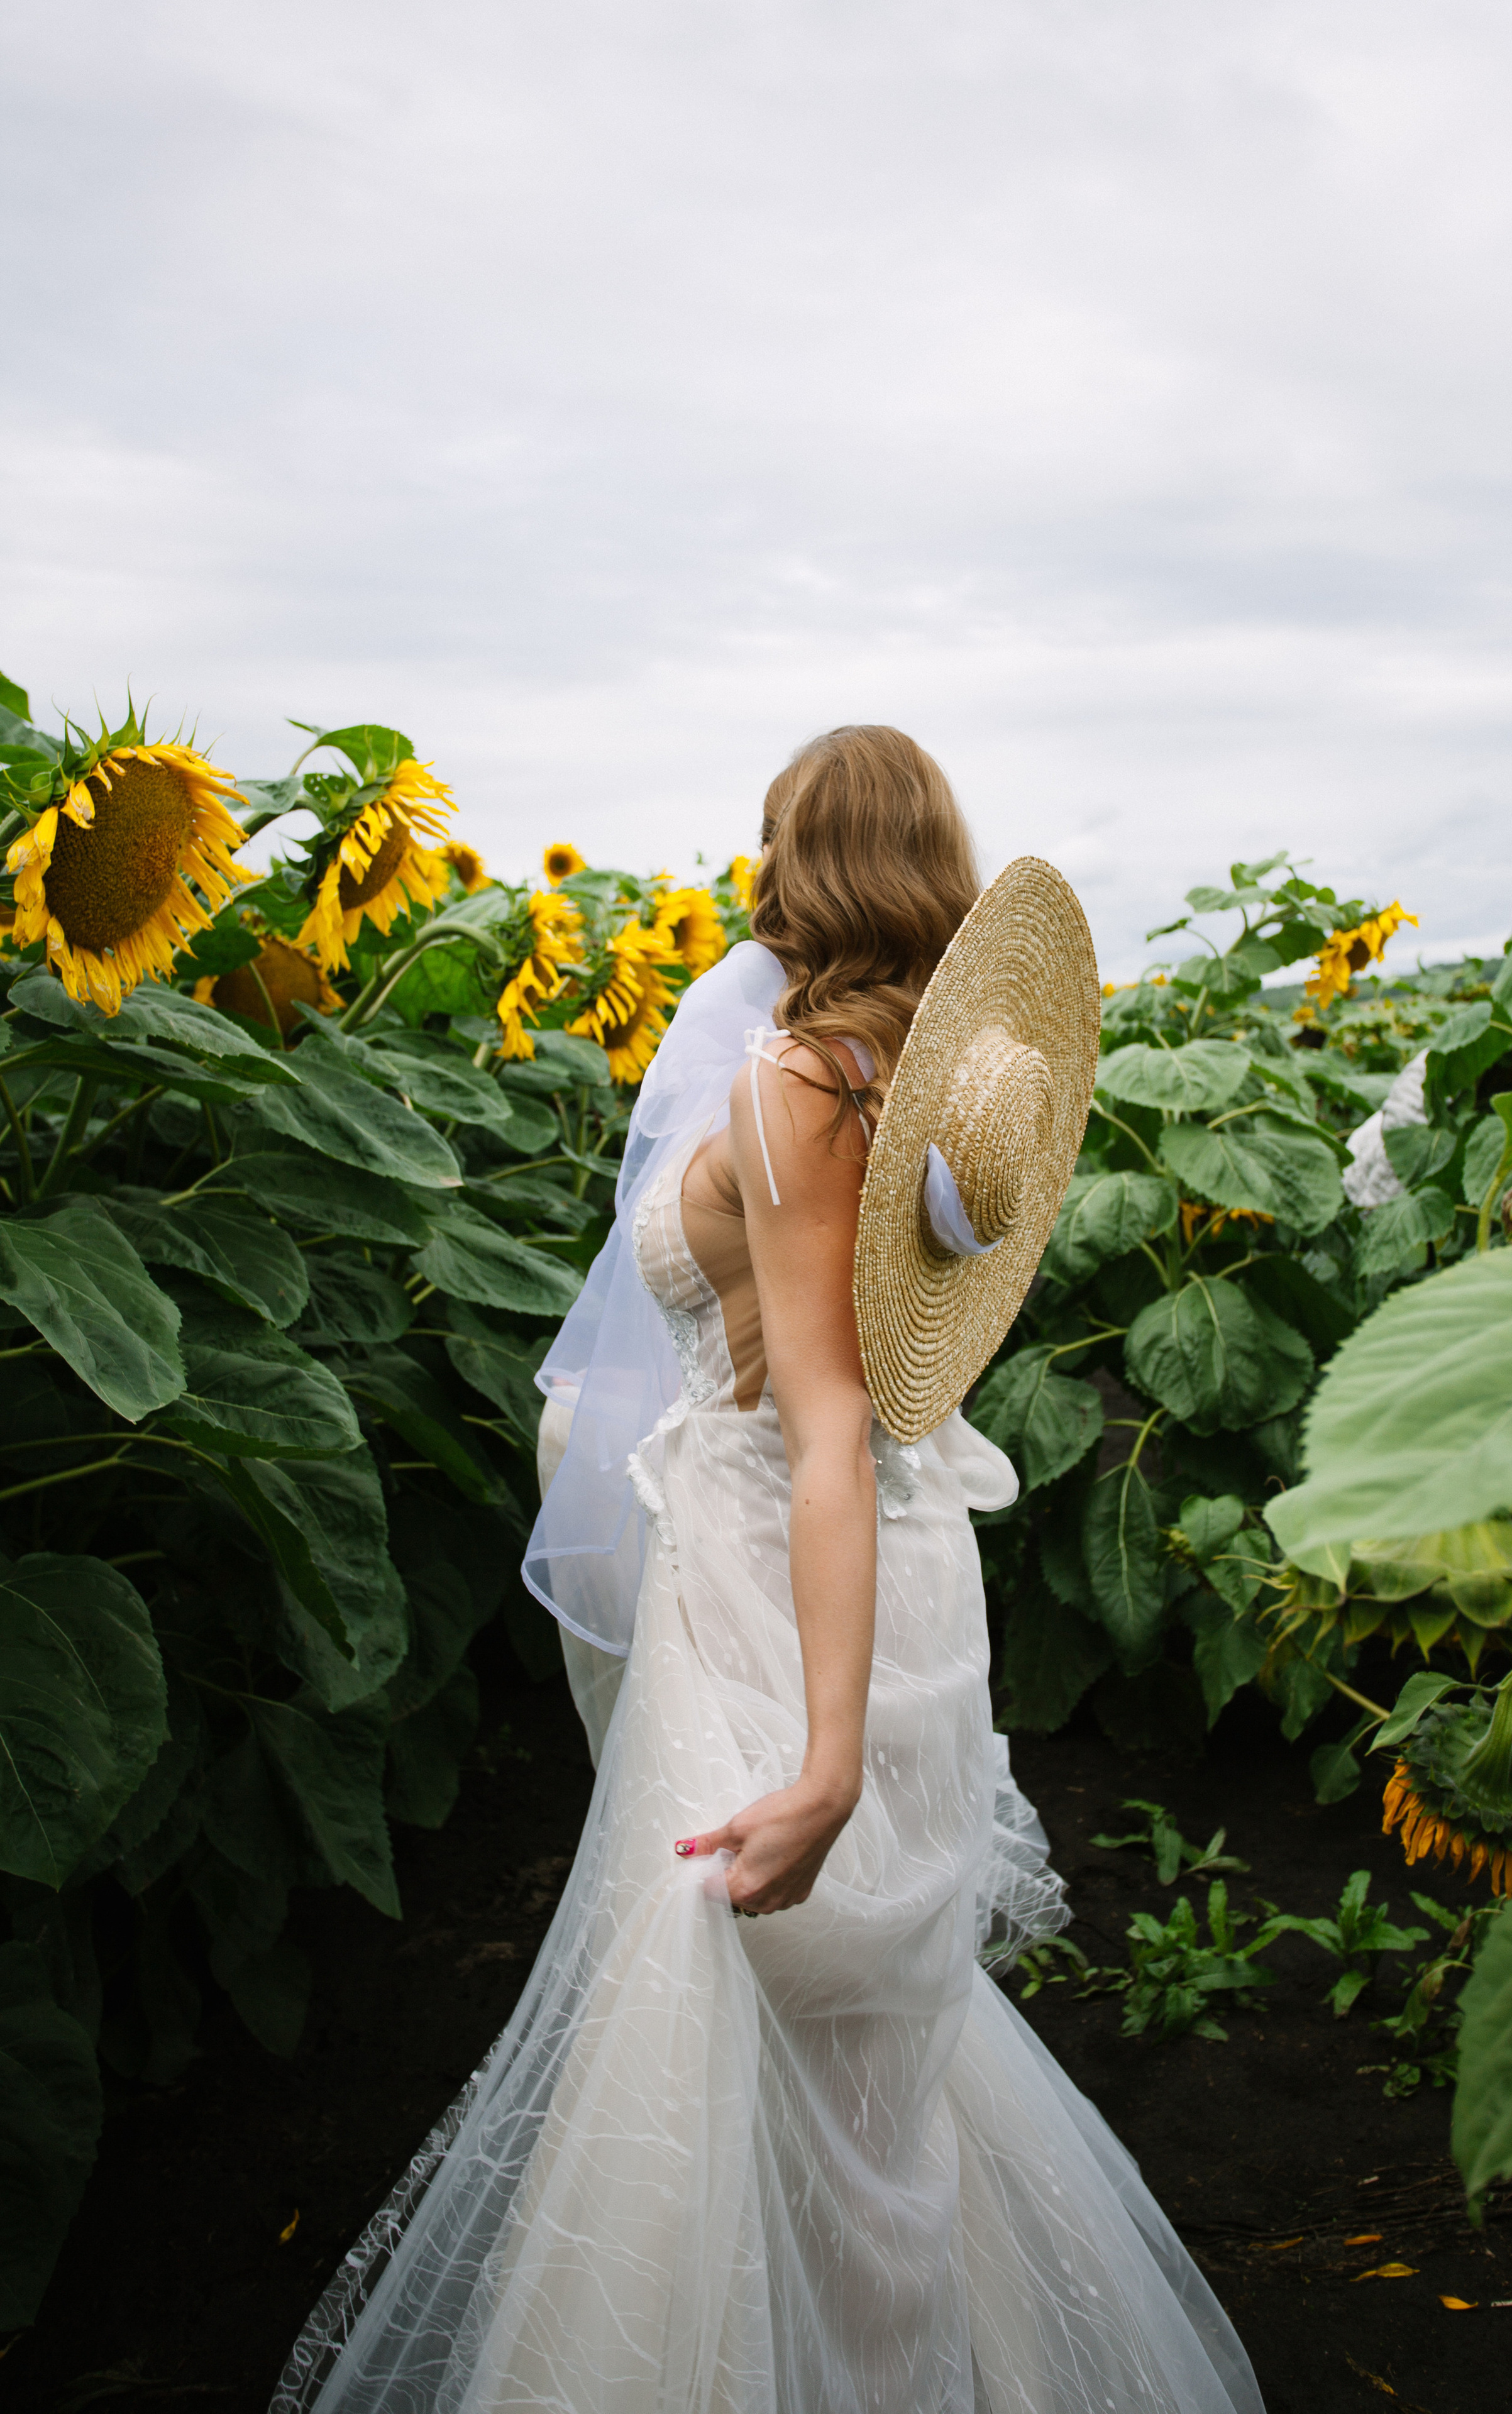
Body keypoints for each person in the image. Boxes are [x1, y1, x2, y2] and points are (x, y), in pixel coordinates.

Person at [273, 727, 1264, 2414]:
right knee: (866, 2063)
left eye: (768, 838)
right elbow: (889, 1386)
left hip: (776, 1592)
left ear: (802, 863)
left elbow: (821, 1431)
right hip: (906, 1572)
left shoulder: (799, 1083)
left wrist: (825, 1763)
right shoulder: (943, 1085)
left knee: (746, 2038)